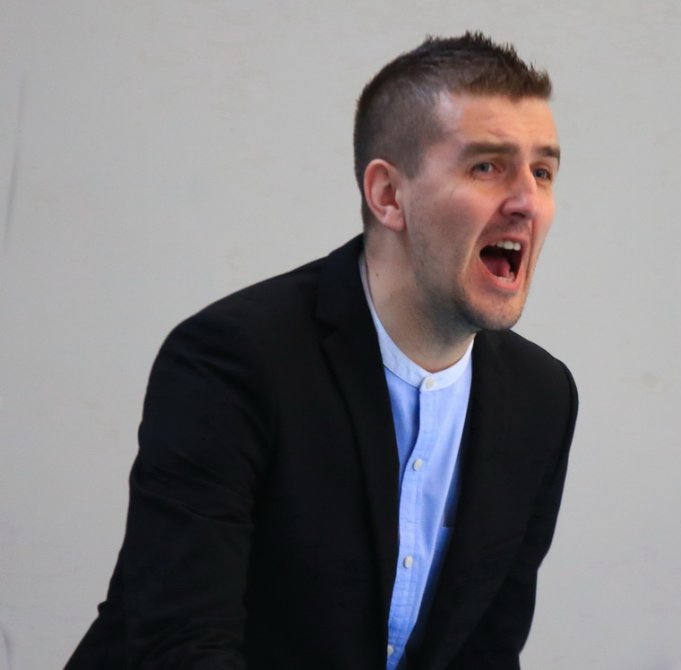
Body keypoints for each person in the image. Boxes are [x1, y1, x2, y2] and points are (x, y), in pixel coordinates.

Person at [65, 31, 577, 670]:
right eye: (487, 167)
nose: (527, 201)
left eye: (542, 172)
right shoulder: (232, 361)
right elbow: (183, 647)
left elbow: (486, 651)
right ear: (388, 195)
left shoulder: (541, 397)